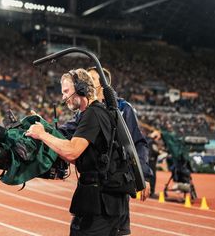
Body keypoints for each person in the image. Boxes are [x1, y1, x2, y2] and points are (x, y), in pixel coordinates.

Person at [26, 69, 134, 235]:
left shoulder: (93, 114)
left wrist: (42, 135)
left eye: (66, 91)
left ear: (81, 88)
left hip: (100, 202)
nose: (63, 97)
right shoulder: (95, 113)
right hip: (103, 201)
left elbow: (72, 151)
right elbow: (84, 157)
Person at [57, 67, 152, 235]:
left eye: (90, 79)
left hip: (116, 184)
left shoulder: (122, 108)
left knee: (116, 230)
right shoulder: (85, 112)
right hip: (96, 186)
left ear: (102, 84)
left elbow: (136, 143)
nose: (85, 82)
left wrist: (142, 175)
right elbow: (66, 131)